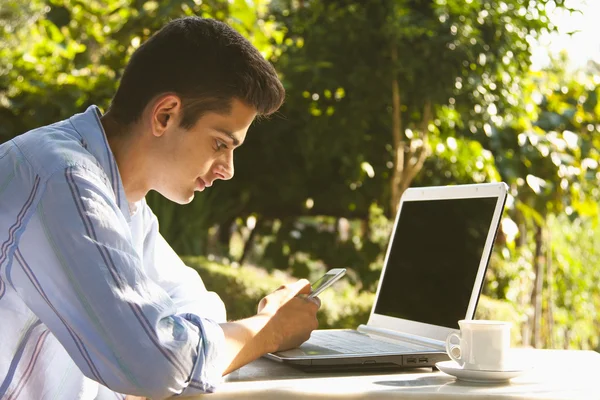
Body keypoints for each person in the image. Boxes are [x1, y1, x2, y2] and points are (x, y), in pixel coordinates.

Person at [0, 17, 320, 399]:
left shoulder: (123, 201)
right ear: (165, 114)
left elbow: (199, 310)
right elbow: (155, 365)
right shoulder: (59, 178)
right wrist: (270, 329)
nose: (227, 171)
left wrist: (206, 340)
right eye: (221, 144)